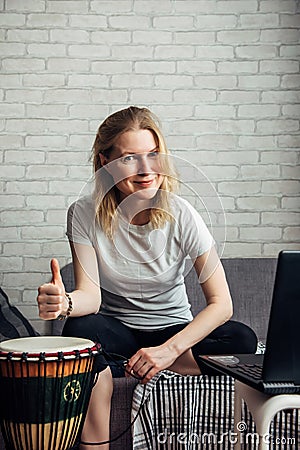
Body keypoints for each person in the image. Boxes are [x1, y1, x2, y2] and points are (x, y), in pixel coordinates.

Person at [37, 106, 257, 449]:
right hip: (118, 330)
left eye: (153, 155)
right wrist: (64, 303)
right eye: (129, 158)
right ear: (103, 163)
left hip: (172, 329)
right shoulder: (83, 213)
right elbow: (91, 297)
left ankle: (140, 362)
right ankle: (97, 443)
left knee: (241, 340)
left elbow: (221, 304)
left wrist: (169, 350)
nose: (145, 170)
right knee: (80, 332)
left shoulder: (183, 214)